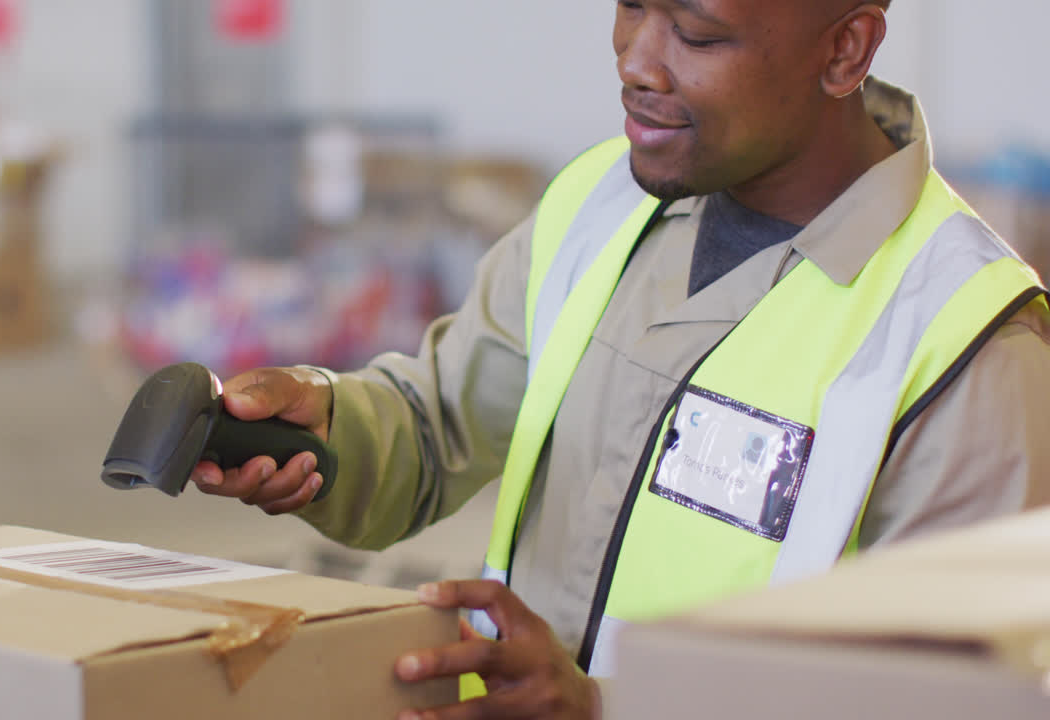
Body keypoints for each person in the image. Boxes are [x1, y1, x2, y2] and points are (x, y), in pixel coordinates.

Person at [191, 1, 1050, 717]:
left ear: (843, 50)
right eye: (632, 3)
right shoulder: (601, 203)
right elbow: (439, 419)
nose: (637, 61)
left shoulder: (965, 341)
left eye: (698, 32)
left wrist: (607, 707)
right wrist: (325, 427)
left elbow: (955, 701)